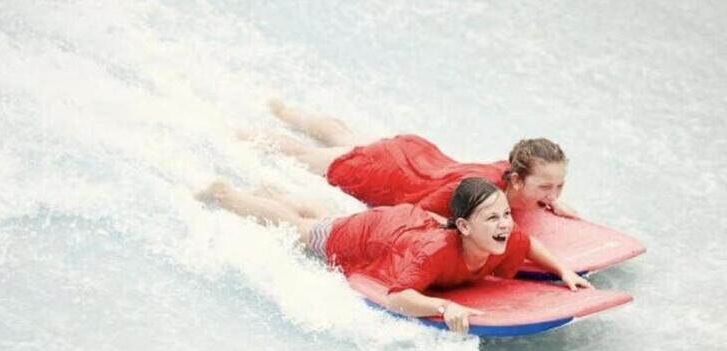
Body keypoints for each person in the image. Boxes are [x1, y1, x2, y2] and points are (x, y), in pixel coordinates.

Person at [195, 177, 591, 334]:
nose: (505, 223)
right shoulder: (435, 251)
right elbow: (398, 296)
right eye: (493, 217)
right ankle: (228, 196)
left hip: (402, 225)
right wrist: (441, 306)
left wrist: (564, 271)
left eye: (505, 214)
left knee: (323, 219)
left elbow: (528, 243)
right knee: (305, 233)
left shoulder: (498, 239)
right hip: (372, 238)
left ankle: (276, 191)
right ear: (464, 227)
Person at [240, 99, 579, 220]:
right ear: (517, 180)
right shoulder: (479, 193)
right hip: (387, 173)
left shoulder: (513, 170)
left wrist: (549, 202)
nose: (554, 193)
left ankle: (285, 110)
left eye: (559, 186)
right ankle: (236, 133)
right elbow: (419, 213)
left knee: (345, 141)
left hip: (415, 154)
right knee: (307, 156)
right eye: (546, 186)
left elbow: (537, 188)